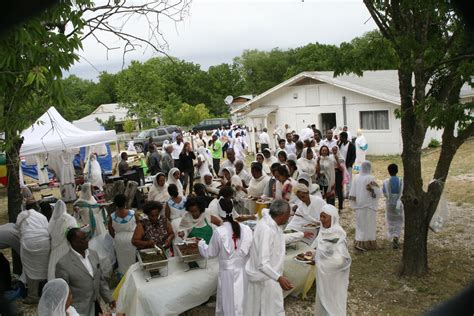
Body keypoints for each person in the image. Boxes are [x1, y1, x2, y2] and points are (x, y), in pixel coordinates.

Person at [245, 200, 310, 316]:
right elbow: (263, 263)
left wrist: (300, 235)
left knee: (267, 309)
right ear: (282, 215)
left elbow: (279, 239)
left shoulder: (270, 223)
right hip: (266, 279)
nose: (289, 217)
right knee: (270, 310)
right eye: (288, 215)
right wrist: (279, 278)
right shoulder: (267, 230)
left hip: (268, 276)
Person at [198, 197, 253, 316]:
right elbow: (250, 250)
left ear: (219, 213)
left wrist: (201, 243)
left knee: (228, 299)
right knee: (242, 298)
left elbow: (210, 253)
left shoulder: (219, 232)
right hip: (243, 271)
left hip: (227, 273)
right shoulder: (246, 229)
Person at [56, 228, 115, 315]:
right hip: (79, 310)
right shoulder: (63, 264)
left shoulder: (93, 254)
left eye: (87, 237)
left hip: (96, 305)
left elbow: (100, 280)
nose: (88, 240)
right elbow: (62, 293)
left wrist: (109, 298)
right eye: (83, 239)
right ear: (74, 242)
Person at [312, 204, 351, 316]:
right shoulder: (323, 232)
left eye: (324, 217)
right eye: (320, 216)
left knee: (332, 303)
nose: (321, 220)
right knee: (322, 300)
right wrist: (314, 256)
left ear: (332, 218)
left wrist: (320, 261)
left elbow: (341, 261)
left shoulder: (338, 235)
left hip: (334, 279)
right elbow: (321, 251)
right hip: (323, 277)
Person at [16, 205, 50, 304]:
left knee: (29, 269)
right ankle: (48, 293)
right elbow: (48, 229)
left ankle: (33, 296)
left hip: (28, 242)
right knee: (46, 267)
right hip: (44, 242)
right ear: (37, 208)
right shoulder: (41, 216)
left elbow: (18, 229)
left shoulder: (21, 215)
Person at [349, 161, 382, 251]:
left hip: (360, 205)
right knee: (370, 225)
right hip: (370, 206)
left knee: (360, 225)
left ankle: (359, 242)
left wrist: (354, 204)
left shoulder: (356, 177)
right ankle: (369, 243)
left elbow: (353, 191)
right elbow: (378, 192)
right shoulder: (371, 178)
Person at [48, 200, 78, 281]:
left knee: (55, 270)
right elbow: (74, 230)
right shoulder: (67, 218)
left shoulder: (52, 221)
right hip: (65, 247)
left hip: (55, 250)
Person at [108, 194, 137, 275]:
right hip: (131, 238)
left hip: (118, 239)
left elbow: (110, 230)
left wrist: (116, 237)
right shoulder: (132, 213)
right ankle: (134, 274)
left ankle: (123, 275)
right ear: (125, 202)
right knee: (132, 258)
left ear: (115, 204)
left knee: (121, 259)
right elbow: (139, 225)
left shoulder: (112, 216)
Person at [382, 163, 404, 249]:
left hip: (390, 204)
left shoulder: (386, 182)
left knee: (390, 220)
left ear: (388, 172)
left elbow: (384, 193)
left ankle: (392, 236)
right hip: (399, 204)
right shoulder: (401, 181)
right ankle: (397, 236)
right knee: (399, 220)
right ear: (397, 171)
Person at [337, 132, 356, 198]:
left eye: (340, 137)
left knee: (349, 180)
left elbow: (354, 156)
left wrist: (349, 164)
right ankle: (341, 193)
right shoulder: (340, 144)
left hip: (347, 166)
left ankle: (349, 194)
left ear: (344, 137)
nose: (340, 138)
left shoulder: (351, 145)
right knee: (341, 180)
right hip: (340, 166)